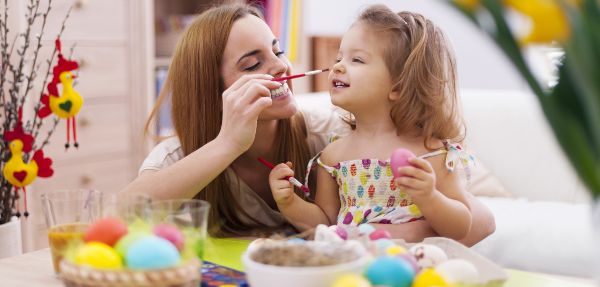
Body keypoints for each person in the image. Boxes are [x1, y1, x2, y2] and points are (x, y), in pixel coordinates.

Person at [123, 3, 495, 244]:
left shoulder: (328, 131)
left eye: (278, 50)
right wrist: (228, 143)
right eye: (252, 64)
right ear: (211, 89)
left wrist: (406, 228)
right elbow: (121, 215)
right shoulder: (180, 155)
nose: (282, 67)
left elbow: (480, 220)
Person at [269, 5, 477, 240]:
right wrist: (290, 203)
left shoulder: (431, 152)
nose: (337, 66)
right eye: (339, 57)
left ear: (398, 86)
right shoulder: (333, 156)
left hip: (413, 267)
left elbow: (461, 228)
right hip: (355, 270)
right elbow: (326, 222)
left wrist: (430, 197)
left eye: (356, 60)